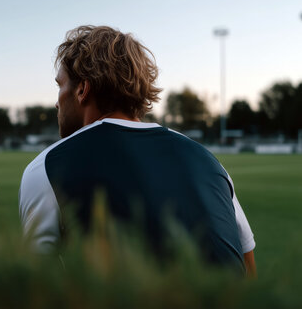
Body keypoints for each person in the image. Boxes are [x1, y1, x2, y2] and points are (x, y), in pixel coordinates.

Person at [18, 25, 256, 275]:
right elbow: (247, 265)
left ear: (82, 89)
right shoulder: (207, 160)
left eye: (60, 85)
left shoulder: (47, 167)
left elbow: (38, 288)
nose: (57, 101)